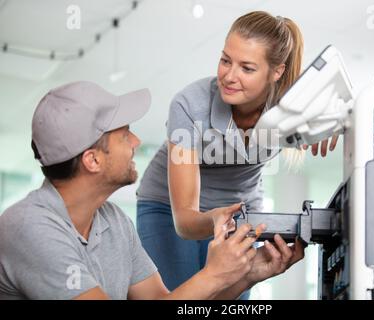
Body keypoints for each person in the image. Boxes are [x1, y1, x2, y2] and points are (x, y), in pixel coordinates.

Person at [0, 81, 303, 300]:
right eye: (123, 135)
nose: (135, 142)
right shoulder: (30, 228)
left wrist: (244, 275)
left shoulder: (113, 221)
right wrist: (214, 274)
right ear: (92, 160)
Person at [136, 11, 338, 298]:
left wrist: (329, 126)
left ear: (276, 72)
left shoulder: (290, 108)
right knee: (181, 296)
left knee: (230, 297)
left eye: (247, 68)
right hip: (168, 208)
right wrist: (217, 220)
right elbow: (185, 221)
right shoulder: (190, 105)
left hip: (238, 212)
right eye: (225, 60)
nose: (229, 76)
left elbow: (339, 109)